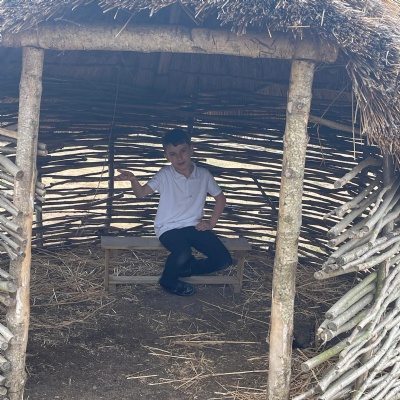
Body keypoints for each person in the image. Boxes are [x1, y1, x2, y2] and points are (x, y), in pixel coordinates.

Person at [115, 128, 232, 297]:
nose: (179, 157)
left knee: (224, 260)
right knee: (183, 252)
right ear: (166, 156)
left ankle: (187, 269)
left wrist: (211, 222)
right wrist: (133, 180)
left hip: (193, 225)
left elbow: (220, 198)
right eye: (173, 154)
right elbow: (141, 193)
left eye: (183, 151)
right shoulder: (165, 175)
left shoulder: (203, 175)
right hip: (167, 227)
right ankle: (168, 281)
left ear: (191, 149)